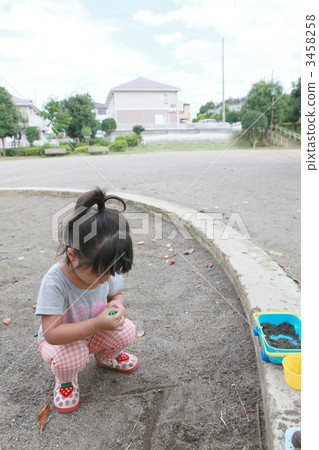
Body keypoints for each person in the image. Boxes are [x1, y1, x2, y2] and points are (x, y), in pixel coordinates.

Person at [35, 188, 138, 413]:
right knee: (73, 357)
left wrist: (117, 306)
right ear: (72, 256)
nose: (105, 280)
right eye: (101, 274)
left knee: (127, 330)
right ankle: (66, 381)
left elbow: (116, 295)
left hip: (94, 333)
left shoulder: (105, 270)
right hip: (62, 341)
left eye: (111, 272)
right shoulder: (55, 281)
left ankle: (106, 357)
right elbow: (52, 333)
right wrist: (96, 324)